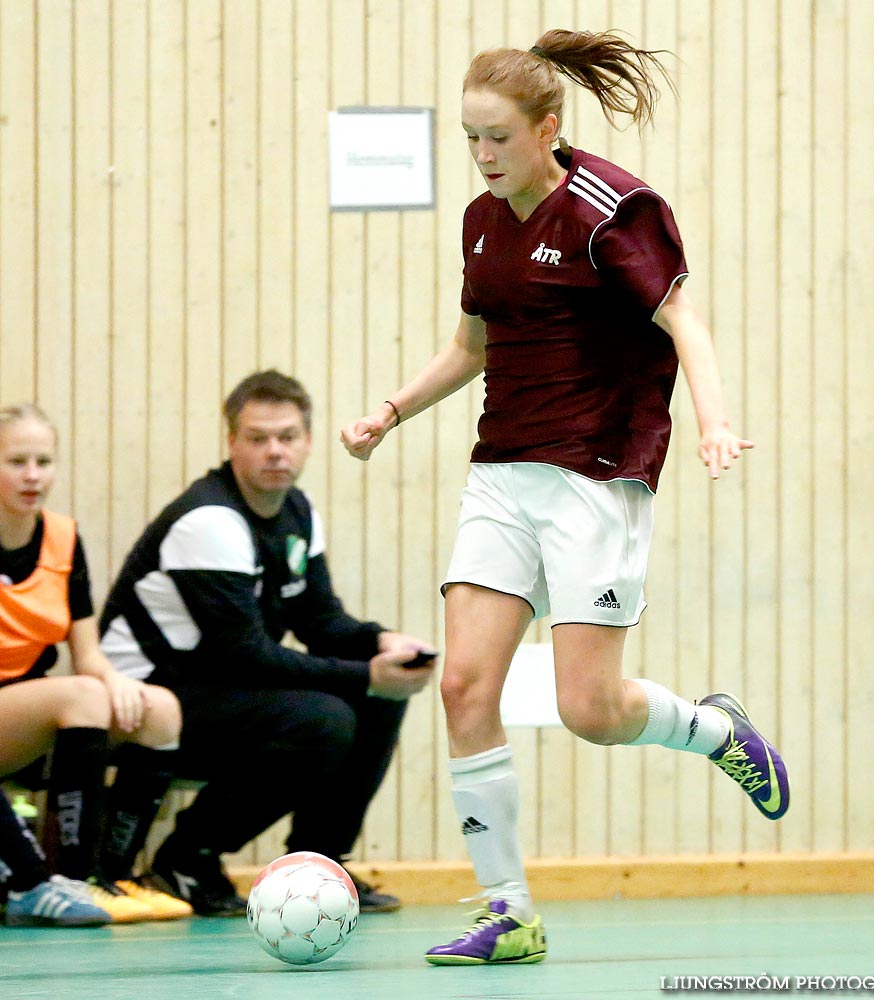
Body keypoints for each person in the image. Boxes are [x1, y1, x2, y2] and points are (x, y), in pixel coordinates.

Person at [341, 29, 790, 965]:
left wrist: (712, 420)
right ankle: (509, 911)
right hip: (501, 472)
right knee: (464, 686)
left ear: (548, 127)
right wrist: (390, 410)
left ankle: (715, 732)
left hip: (594, 476)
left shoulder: (612, 210)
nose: (484, 156)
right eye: (470, 138)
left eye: (498, 137)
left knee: (591, 711)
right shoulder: (480, 217)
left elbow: (684, 323)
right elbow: (470, 350)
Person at [99, 369, 436, 917]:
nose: (274, 452)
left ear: (307, 441)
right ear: (232, 442)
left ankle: (320, 867)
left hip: (212, 685)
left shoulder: (296, 511)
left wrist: (381, 643)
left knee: (380, 695)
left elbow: (322, 622)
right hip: (145, 696)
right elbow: (244, 655)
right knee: (324, 718)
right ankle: (186, 859)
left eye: (287, 437)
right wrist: (363, 674)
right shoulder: (210, 518)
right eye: (258, 439)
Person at [0, 403, 189, 926]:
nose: (33, 474)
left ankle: (112, 874)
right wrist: (93, 688)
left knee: (160, 710)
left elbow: (87, 654)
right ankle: (67, 878)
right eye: (17, 461)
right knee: (83, 695)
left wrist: (115, 682)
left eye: (44, 460)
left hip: (30, 709)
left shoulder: (62, 537)